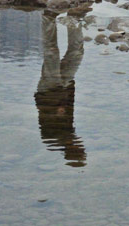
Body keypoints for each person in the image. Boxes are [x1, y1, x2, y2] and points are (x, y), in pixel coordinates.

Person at [34, 11, 87, 168]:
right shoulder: (69, 135)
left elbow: (44, 113)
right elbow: (69, 108)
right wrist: (69, 90)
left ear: (73, 150)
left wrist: (56, 109)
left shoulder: (52, 139)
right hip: (64, 88)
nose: (82, 145)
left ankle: (49, 17)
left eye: (81, 149)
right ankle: (74, 18)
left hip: (48, 90)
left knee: (51, 52)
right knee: (77, 53)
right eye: (82, 148)